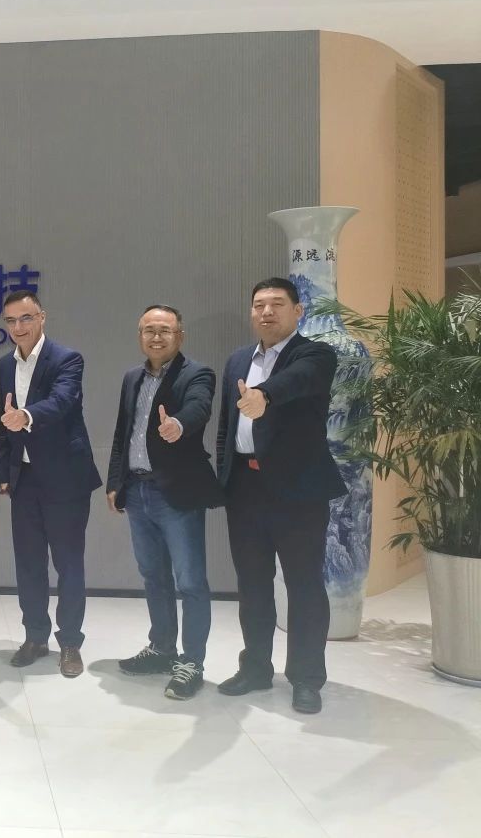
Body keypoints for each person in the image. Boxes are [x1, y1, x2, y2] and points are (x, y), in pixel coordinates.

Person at [215, 277, 346, 715]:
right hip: (245, 489)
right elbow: (226, 427)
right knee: (252, 586)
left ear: (297, 311)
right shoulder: (238, 360)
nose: (266, 312)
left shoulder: (315, 354)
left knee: (304, 587)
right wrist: (223, 478)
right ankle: (255, 668)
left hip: (298, 492)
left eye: (276, 304)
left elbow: (297, 381)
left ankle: (306, 679)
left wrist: (263, 396)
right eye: (258, 305)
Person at [105, 304, 222, 700]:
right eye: (149, 330)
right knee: (153, 576)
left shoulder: (197, 374)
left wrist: (179, 424)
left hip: (176, 493)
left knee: (190, 581)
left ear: (180, 336)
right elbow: (123, 434)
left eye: (165, 330)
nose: (156, 337)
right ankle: (162, 648)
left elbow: (199, 406)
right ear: (140, 335)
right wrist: (115, 482)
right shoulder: (132, 378)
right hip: (137, 491)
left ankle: (192, 662)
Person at [0, 290, 102, 676]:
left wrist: (25, 416)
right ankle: (35, 636)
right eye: (11, 321)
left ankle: (70, 642)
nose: (18, 327)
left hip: (65, 480)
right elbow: (5, 422)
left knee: (68, 564)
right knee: (28, 565)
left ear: (42, 317)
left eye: (26, 318)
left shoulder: (66, 359)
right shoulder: (5, 365)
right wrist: (3, 474)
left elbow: (61, 402)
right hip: (24, 480)